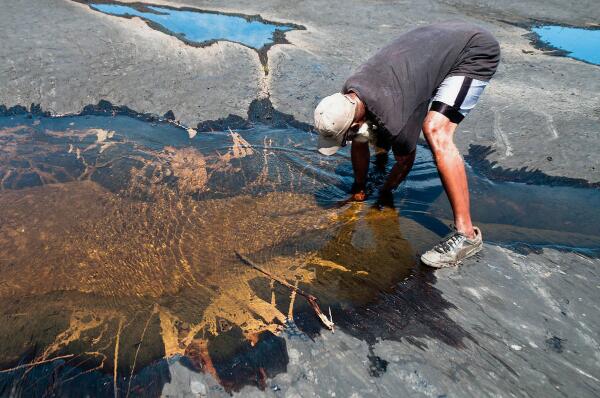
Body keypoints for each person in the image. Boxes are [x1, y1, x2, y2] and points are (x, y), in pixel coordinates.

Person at [313, 21, 500, 268]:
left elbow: (405, 161)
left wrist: (386, 191)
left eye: (344, 135)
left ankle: (466, 236)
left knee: (435, 130)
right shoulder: (350, 92)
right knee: (373, 129)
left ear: (355, 120)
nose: (346, 141)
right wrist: (358, 189)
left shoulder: (396, 121)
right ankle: (363, 179)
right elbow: (359, 137)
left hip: (472, 50)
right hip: (436, 38)